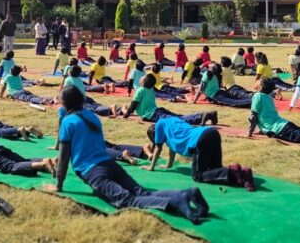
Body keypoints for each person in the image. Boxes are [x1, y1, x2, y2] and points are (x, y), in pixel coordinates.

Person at [47, 86, 209, 224]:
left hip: (93, 171)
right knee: (141, 192)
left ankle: (177, 200)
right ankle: (187, 193)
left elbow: (64, 156)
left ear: (65, 104)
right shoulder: (92, 116)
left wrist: (58, 185)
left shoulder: (68, 122)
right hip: (110, 164)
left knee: (126, 200)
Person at [145, 117, 255, 191]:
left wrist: (151, 167)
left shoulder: (159, 125)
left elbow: (158, 148)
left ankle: (234, 170)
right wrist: (168, 165)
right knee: (215, 169)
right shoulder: (172, 122)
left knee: (198, 176)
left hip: (198, 141)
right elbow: (171, 150)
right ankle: (242, 176)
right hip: (211, 132)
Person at [248, 77, 300, 144]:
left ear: (260, 88)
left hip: (279, 129)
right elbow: (266, 115)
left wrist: (250, 132)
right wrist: (263, 130)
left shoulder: (257, 96)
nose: (256, 81)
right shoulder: (268, 96)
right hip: (284, 124)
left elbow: (253, 117)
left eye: (258, 81)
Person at [123, 74, 217, 126]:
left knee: (177, 121)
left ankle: (202, 116)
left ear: (144, 82)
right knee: (179, 117)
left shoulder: (140, 90)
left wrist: (126, 115)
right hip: (157, 111)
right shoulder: (151, 89)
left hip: (153, 114)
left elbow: (133, 104)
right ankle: (207, 115)